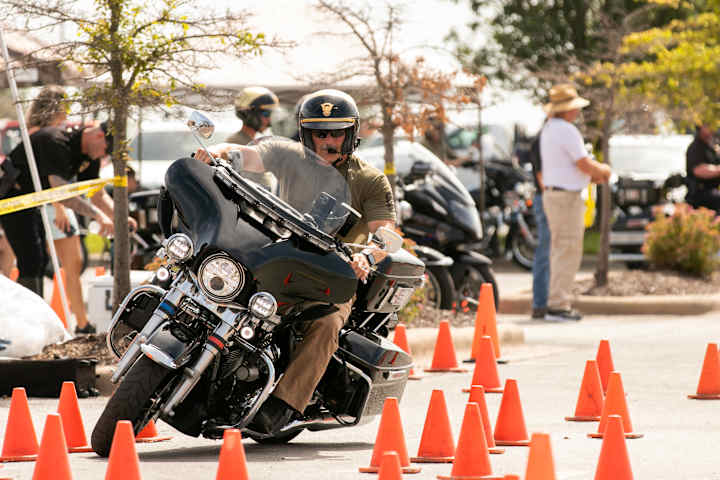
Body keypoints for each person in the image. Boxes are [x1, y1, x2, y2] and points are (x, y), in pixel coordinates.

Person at [195, 89, 397, 434]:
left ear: (351, 133)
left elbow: (387, 232)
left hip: (331, 274)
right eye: (320, 132)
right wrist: (215, 151)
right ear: (306, 134)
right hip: (281, 257)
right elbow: (248, 154)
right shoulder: (287, 154)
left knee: (328, 323)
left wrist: (367, 252)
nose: (328, 140)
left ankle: (284, 404)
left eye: (336, 132)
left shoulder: (369, 179)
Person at [0, 120, 136, 323]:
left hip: (33, 203)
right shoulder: (56, 140)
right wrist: (98, 216)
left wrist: (120, 217)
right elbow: (61, 191)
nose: (103, 156)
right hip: (12, 197)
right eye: (106, 150)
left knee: (38, 262)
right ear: (98, 135)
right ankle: (22, 322)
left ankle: (28, 321)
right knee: (30, 261)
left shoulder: (89, 156)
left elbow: (96, 194)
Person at [540, 84, 611, 322]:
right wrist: (604, 170)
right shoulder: (566, 131)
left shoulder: (550, 129)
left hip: (555, 195)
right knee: (568, 249)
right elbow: (583, 164)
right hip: (566, 198)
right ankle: (558, 305)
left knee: (560, 249)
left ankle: (556, 303)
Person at [528, 124, 550, 319]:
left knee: (549, 250)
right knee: (546, 250)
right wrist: (549, 195)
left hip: (546, 198)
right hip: (546, 199)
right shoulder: (543, 140)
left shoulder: (545, 138)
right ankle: (541, 303)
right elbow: (540, 174)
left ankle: (543, 302)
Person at [685, 124, 720, 212]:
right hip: (700, 194)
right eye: (707, 125)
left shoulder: (711, 145)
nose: (712, 129)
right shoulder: (695, 147)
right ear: (700, 128)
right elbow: (698, 170)